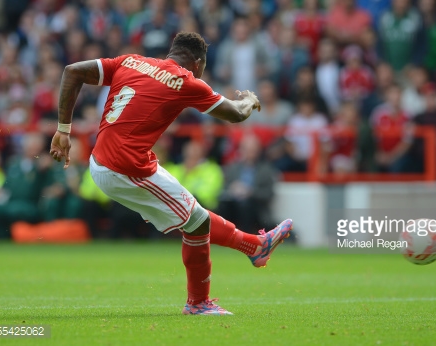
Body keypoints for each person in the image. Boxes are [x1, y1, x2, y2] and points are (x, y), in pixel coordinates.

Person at [48, 32, 293, 316]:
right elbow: (237, 114)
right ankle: (201, 301)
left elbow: (72, 71)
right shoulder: (185, 81)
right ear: (198, 62)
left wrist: (63, 130)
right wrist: (250, 100)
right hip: (124, 167)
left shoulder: (130, 61)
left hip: (105, 159)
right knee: (197, 223)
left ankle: (253, 248)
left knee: (196, 219)